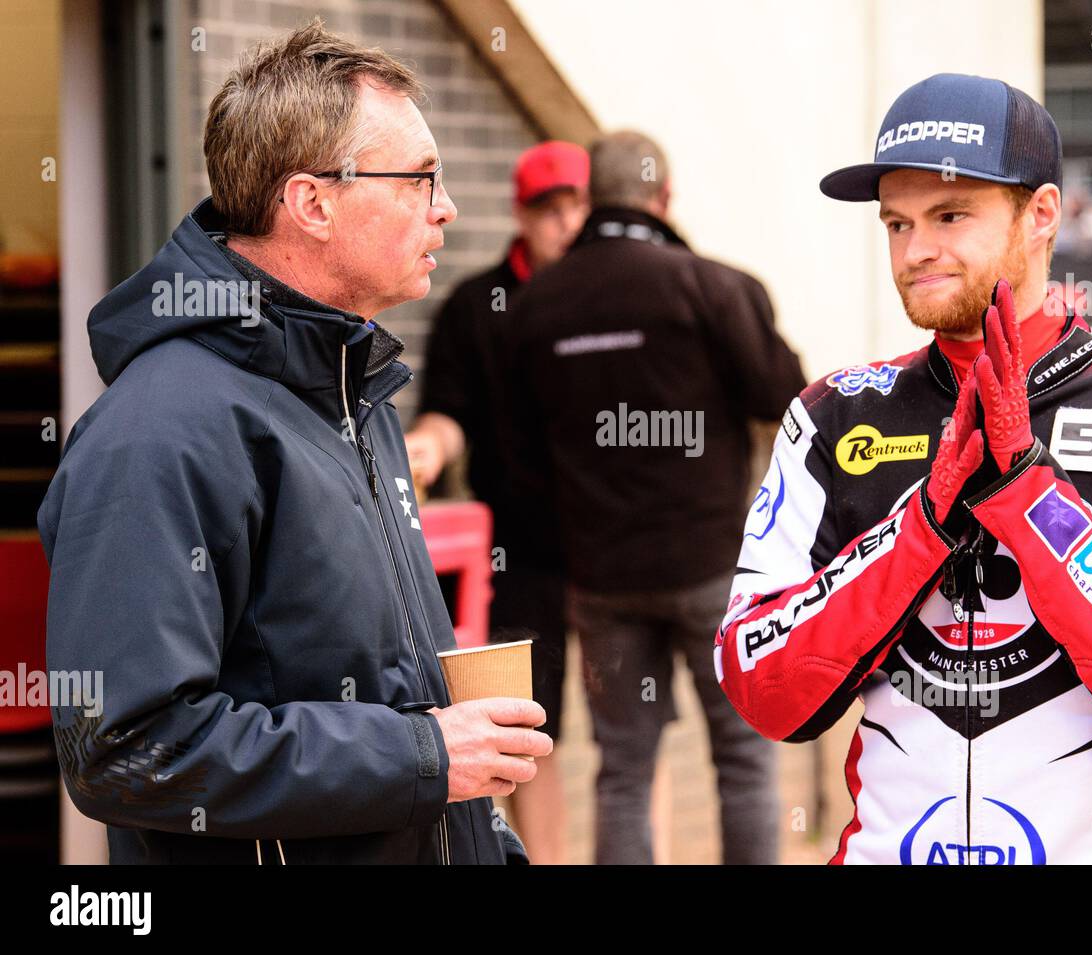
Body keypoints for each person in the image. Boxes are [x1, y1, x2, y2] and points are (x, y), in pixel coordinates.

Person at [715, 73, 1092, 865]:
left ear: (1041, 215)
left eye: (950, 215)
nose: (915, 250)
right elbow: (760, 685)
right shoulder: (836, 413)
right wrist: (919, 530)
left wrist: (1030, 496)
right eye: (896, 223)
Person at [37, 20, 551, 865]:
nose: (447, 207)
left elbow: (418, 704)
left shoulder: (359, 393)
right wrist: (422, 756)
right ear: (313, 203)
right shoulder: (158, 432)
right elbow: (125, 749)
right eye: (420, 179)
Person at [507, 130, 805, 864]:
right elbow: (790, 398)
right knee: (742, 757)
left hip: (600, 579)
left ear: (589, 200)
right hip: (712, 569)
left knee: (623, 772)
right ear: (663, 197)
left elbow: (518, 457)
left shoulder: (535, 306)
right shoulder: (714, 287)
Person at [404, 140, 590, 864]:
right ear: (521, 213)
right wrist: (427, 447)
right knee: (527, 731)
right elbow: (449, 412)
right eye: (550, 209)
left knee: (630, 735)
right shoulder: (476, 305)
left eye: (577, 205)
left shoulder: (616, 296)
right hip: (518, 551)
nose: (566, 222)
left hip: (613, 550)